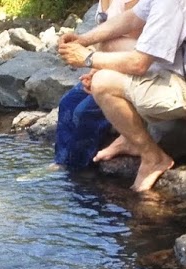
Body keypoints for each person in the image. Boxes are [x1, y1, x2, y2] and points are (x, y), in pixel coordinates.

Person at [58, 0, 186, 192]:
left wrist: (88, 58)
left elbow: (139, 63)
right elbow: (130, 20)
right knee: (101, 71)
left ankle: (153, 158)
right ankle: (131, 140)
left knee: (103, 84)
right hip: (182, 76)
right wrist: (83, 40)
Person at [52, 0, 138, 172]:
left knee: (85, 112)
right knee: (67, 103)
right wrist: (94, 70)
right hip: (107, 65)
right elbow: (103, 39)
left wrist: (97, 65)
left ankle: (78, 169)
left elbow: (136, 45)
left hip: (133, 69)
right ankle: (61, 161)